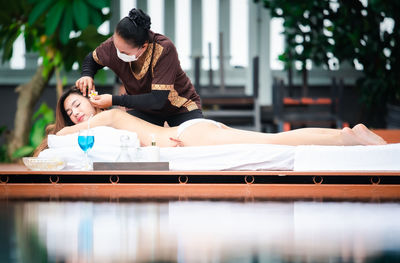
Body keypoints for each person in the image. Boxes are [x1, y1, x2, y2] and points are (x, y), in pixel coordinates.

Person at [34, 87, 387, 156]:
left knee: (273, 142)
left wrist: (57, 131)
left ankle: (348, 137)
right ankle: (346, 136)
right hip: (192, 133)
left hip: (193, 136)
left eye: (77, 105)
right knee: (269, 140)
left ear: (91, 99)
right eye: (70, 112)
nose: (75, 113)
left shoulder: (108, 116)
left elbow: (65, 135)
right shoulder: (112, 125)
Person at [75, 8, 203, 127]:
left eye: (124, 53)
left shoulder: (164, 49)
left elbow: (157, 100)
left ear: (144, 46)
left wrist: (113, 100)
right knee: (133, 142)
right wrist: (87, 74)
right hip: (142, 109)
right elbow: (91, 59)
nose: (118, 54)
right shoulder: (113, 45)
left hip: (180, 106)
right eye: (116, 46)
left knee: (191, 142)